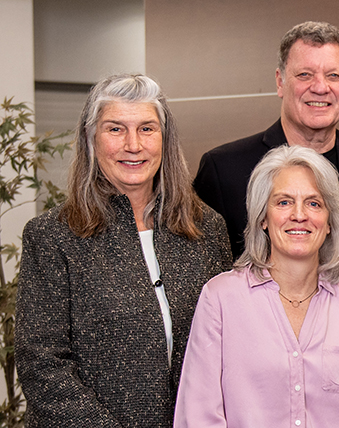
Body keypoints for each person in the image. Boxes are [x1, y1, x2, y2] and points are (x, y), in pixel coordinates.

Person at [15, 73, 232, 427]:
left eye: (147, 129)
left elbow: (229, 346)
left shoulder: (206, 229)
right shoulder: (52, 237)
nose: (134, 145)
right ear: (91, 139)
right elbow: (41, 364)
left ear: (164, 139)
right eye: (115, 129)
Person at [174, 145, 339, 427]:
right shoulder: (220, 299)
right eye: (283, 202)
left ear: (330, 221)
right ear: (262, 218)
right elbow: (198, 416)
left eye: (314, 203)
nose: (299, 215)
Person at [193, 21, 339, 279]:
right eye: (305, 75)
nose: (320, 87)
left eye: (333, 76)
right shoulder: (223, 170)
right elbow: (205, 278)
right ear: (280, 82)